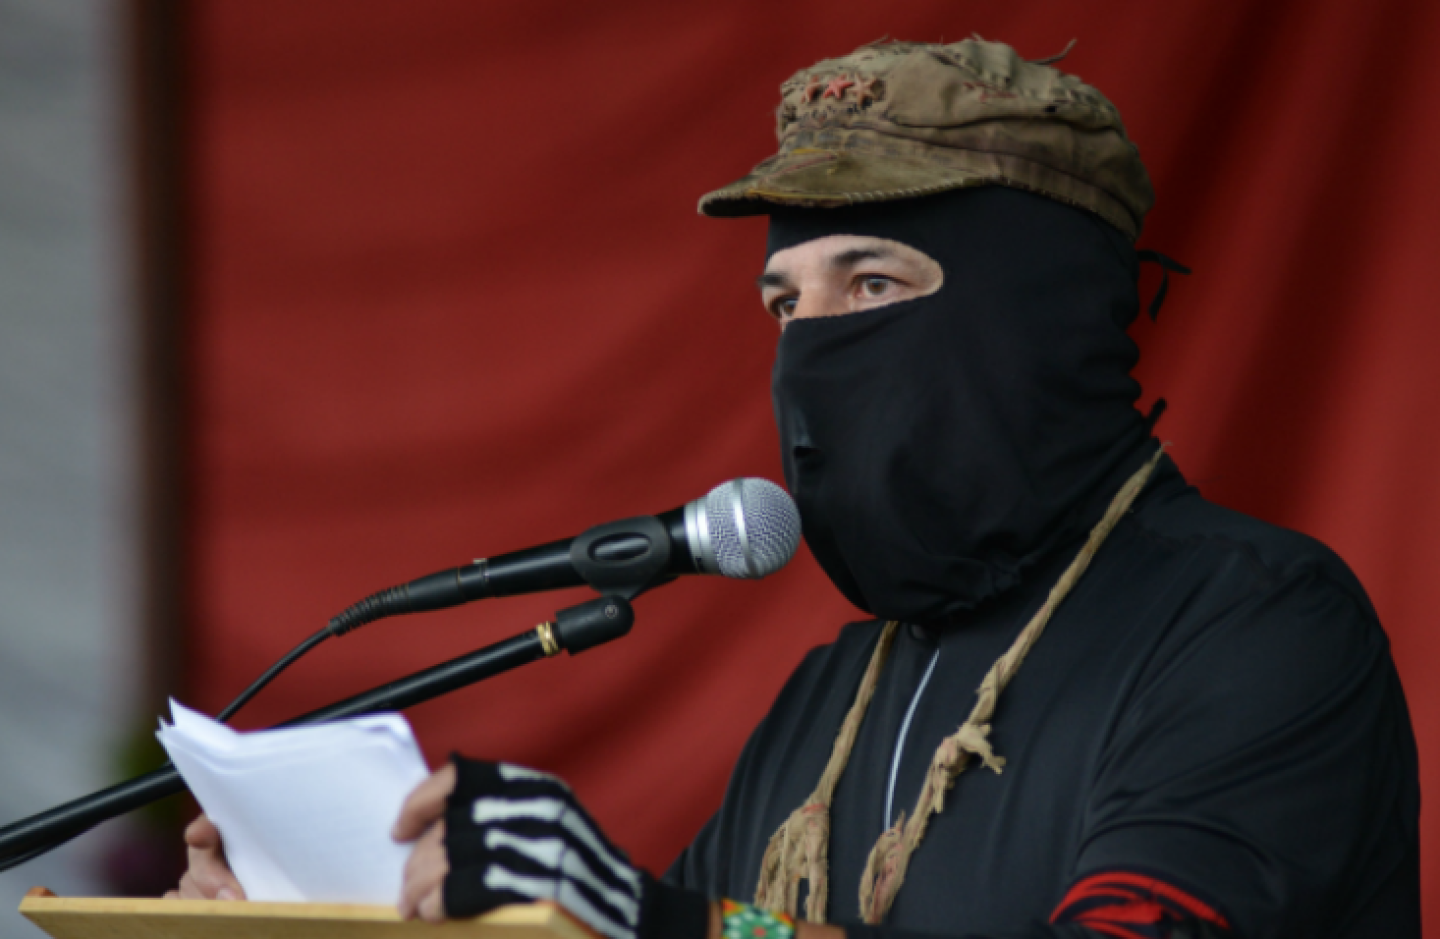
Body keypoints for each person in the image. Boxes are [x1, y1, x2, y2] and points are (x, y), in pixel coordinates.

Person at [171, 37, 1420, 939]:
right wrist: (326, 919)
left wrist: (657, 923)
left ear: (1040, 319)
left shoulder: (1258, 623)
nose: (812, 354)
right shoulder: (833, 693)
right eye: (785, 306)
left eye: (872, 286)